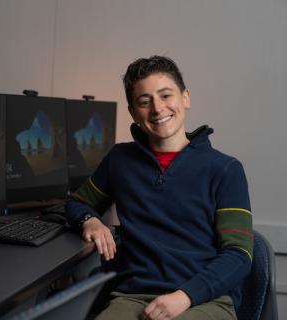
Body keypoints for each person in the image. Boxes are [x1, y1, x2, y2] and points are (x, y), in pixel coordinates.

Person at [65, 56, 253, 320]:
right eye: (144, 101)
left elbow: (239, 254)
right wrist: (90, 221)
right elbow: (77, 203)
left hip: (204, 301)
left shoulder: (225, 169)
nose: (157, 108)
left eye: (166, 96)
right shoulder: (120, 160)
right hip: (131, 297)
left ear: (185, 98)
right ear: (133, 111)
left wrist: (184, 297)